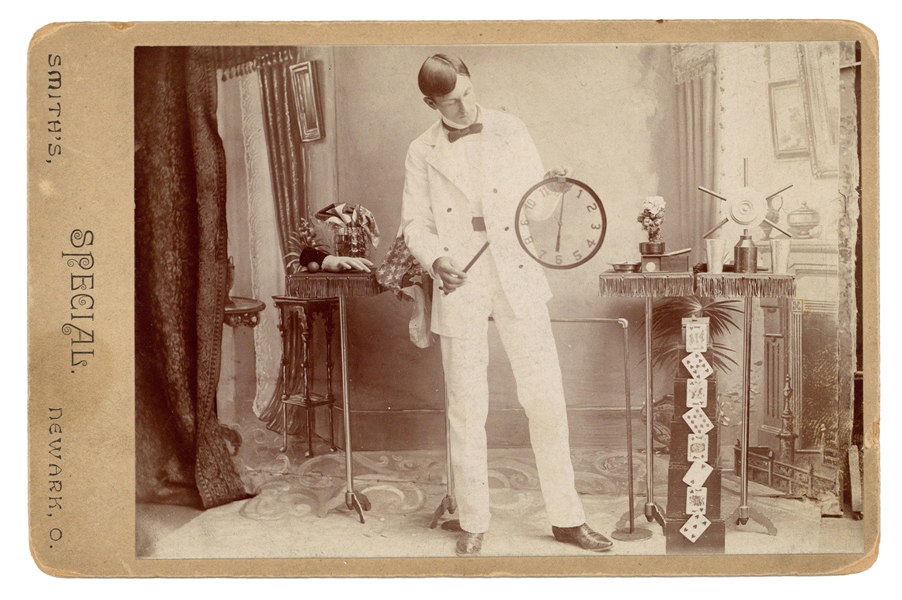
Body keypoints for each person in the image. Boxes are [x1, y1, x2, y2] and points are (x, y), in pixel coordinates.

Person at [401, 54, 613, 556]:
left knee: (545, 398)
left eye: (470, 95)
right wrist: (437, 260)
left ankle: (568, 519)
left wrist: (555, 190)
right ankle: (473, 519)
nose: (466, 108)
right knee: (466, 405)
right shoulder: (421, 150)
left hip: (516, 272)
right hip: (461, 279)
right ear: (431, 103)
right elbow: (414, 223)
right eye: (452, 104)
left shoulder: (510, 128)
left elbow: (534, 206)